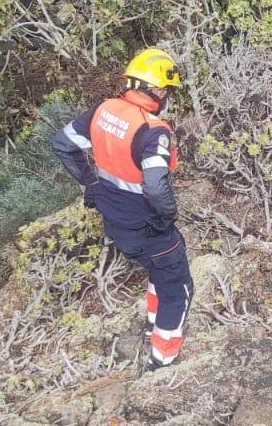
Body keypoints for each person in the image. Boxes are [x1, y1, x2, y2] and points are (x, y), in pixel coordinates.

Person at [50, 48, 192, 370]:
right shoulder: (153, 131)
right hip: (146, 228)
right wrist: (166, 217)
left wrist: (91, 183)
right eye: (166, 91)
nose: (167, 96)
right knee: (178, 287)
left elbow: (62, 143)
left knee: (158, 272)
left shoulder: (104, 110)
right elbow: (156, 186)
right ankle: (163, 360)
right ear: (157, 91)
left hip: (114, 223)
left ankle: (153, 323)